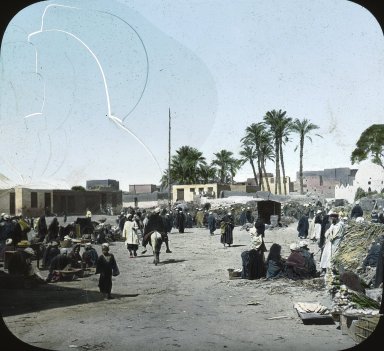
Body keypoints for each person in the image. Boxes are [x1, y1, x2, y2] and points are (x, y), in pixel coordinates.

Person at [319, 211, 345, 276]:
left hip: (336, 243)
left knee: (333, 256)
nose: (331, 220)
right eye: (331, 218)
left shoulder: (340, 225)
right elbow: (328, 232)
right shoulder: (332, 225)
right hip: (329, 243)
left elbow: (337, 234)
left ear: (336, 218)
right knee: (326, 255)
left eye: (333, 218)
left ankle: (332, 270)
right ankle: (324, 269)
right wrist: (327, 235)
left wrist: (332, 237)